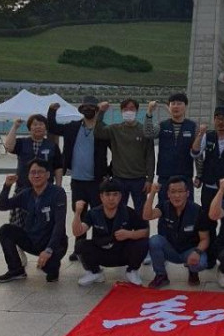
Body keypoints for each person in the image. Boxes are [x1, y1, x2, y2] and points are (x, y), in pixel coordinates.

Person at [48, 96, 110, 262]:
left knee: (97, 214)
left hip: (96, 181)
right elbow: (52, 127)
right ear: (81, 110)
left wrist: (108, 171)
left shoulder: (103, 129)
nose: (88, 110)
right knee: (79, 213)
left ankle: (98, 245)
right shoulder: (72, 127)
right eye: (85, 107)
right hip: (77, 180)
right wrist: (52, 111)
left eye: (92, 107)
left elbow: (117, 151)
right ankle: (79, 248)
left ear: (96, 110)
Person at [0, 159, 67, 283]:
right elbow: (2, 205)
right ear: (28, 176)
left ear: (48, 175)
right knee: (5, 230)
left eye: (40, 172)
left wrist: (49, 250)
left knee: (50, 272)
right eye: (32, 172)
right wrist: (7, 186)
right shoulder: (26, 194)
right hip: (33, 240)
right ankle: (16, 270)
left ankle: (53, 264)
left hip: (54, 244)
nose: (36, 175)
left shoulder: (57, 193)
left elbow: (59, 224)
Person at [191, 105, 224, 265]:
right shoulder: (208, 136)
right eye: (218, 118)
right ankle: (211, 256)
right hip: (210, 187)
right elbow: (194, 153)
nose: (221, 122)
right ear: (214, 119)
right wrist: (200, 134)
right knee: (209, 222)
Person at [72, 179, 149, 287]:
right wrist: (78, 213)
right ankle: (95, 273)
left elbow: (145, 231)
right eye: (107, 194)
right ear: (101, 197)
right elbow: (77, 232)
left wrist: (129, 234)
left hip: (122, 253)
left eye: (115, 194)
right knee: (80, 245)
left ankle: (132, 271)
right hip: (102, 252)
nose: (111, 198)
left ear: (120, 196)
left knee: (143, 243)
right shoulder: (93, 213)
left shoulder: (128, 212)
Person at [143, 177, 210, 289]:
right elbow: (147, 216)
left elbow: (205, 239)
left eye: (180, 192)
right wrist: (153, 193)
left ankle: (193, 272)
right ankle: (161, 275)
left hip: (189, 251)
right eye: (173, 192)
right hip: (171, 250)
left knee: (201, 262)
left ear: (187, 193)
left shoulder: (197, 211)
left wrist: (197, 252)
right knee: (154, 241)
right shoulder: (164, 206)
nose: (177, 196)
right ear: (168, 194)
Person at [94, 98, 155, 216]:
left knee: (141, 212)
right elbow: (98, 132)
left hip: (139, 179)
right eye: (125, 109)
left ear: (137, 111)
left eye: (132, 108)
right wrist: (101, 112)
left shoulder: (144, 130)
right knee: (119, 211)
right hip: (119, 178)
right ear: (121, 111)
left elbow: (150, 156)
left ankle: (142, 234)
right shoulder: (114, 129)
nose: (128, 111)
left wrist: (150, 179)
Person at [144, 93, 197, 198]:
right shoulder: (162, 125)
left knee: (187, 209)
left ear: (186, 106)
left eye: (179, 103)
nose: (176, 106)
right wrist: (149, 112)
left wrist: (199, 175)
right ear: (169, 107)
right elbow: (148, 133)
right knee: (164, 208)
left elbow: (197, 152)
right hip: (165, 176)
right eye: (173, 104)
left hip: (185, 176)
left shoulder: (193, 126)